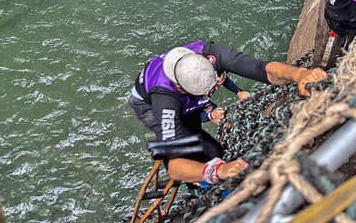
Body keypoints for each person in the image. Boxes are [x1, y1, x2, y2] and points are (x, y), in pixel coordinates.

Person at [129, 41, 327, 184]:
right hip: (147, 103)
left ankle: (204, 167)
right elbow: (174, 165)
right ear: (180, 88)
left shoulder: (212, 54)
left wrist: (299, 74)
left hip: (185, 97)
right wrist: (217, 170)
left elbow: (262, 69)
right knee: (194, 147)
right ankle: (197, 184)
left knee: (214, 150)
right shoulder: (165, 99)